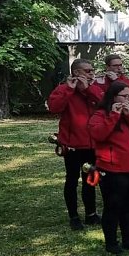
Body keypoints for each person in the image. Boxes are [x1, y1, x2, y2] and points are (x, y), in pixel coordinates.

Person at [87, 81, 129, 254]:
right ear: (113, 97)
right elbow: (98, 134)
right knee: (113, 206)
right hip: (113, 169)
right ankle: (111, 243)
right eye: (124, 96)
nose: (127, 99)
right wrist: (114, 116)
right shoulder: (101, 114)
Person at [48, 59, 104, 230]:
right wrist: (70, 89)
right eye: (87, 71)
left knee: (90, 179)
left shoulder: (94, 88)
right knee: (71, 180)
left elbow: (103, 103)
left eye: (92, 70)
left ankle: (91, 214)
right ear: (76, 72)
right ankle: (73, 216)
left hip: (92, 144)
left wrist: (87, 88)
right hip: (72, 145)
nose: (91, 73)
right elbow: (54, 107)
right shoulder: (63, 89)